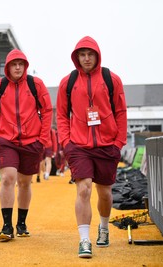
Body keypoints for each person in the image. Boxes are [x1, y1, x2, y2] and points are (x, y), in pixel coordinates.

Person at [56, 36, 127, 258]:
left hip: (107, 145)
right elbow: (61, 115)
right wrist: (66, 143)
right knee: (84, 187)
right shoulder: (67, 82)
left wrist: (118, 143)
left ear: (97, 55)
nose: (86, 59)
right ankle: (84, 240)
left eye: (90, 54)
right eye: (82, 55)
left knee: (104, 193)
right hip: (78, 145)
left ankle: (103, 228)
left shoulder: (111, 79)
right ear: (77, 57)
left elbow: (121, 113)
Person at [0, 49, 53, 241]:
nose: (18, 67)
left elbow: (47, 111)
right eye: (14, 64)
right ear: (8, 67)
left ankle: (21, 223)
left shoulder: (35, 84)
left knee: (24, 182)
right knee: (8, 178)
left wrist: (42, 138)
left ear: (26, 66)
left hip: (32, 141)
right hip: (6, 140)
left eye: (21, 64)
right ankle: (7, 226)